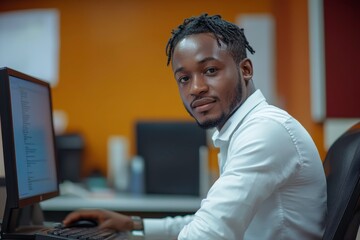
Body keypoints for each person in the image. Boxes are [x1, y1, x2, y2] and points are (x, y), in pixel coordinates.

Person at [63, 13, 327, 239]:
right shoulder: (242, 130)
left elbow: (207, 234)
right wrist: (134, 225)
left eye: (210, 70)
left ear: (245, 70)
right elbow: (207, 220)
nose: (196, 88)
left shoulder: (265, 132)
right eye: (184, 78)